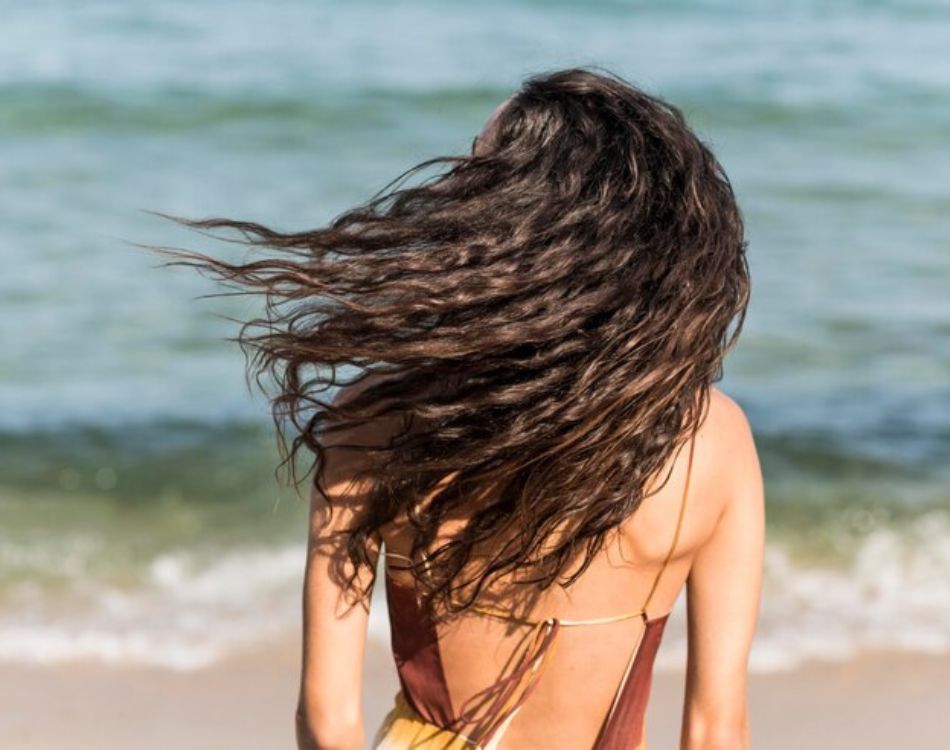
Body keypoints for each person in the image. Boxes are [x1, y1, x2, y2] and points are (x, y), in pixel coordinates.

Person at [157, 66, 764, 750]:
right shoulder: (713, 438)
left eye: (479, 177)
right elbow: (717, 729)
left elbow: (328, 721)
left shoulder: (377, 418)